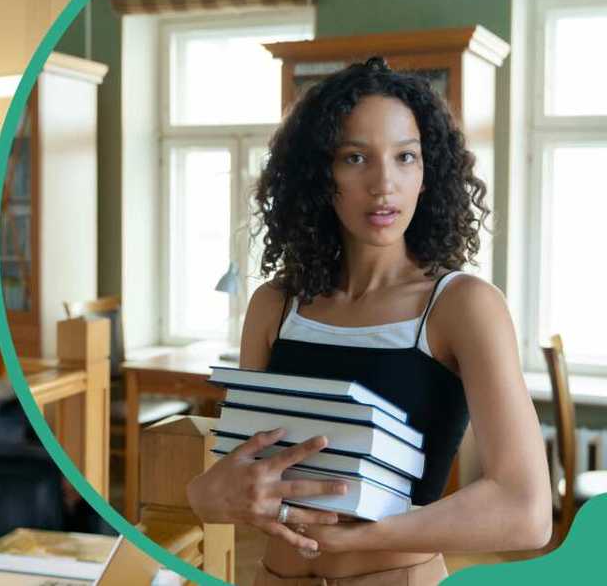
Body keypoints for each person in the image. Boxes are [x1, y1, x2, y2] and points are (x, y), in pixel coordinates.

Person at [185, 58, 552, 585]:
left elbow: (527, 513)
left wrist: (366, 535)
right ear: (319, 175)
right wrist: (207, 495)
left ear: (428, 175)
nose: (384, 184)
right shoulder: (274, 305)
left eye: (406, 157)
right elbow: (247, 474)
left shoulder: (462, 307)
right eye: (355, 157)